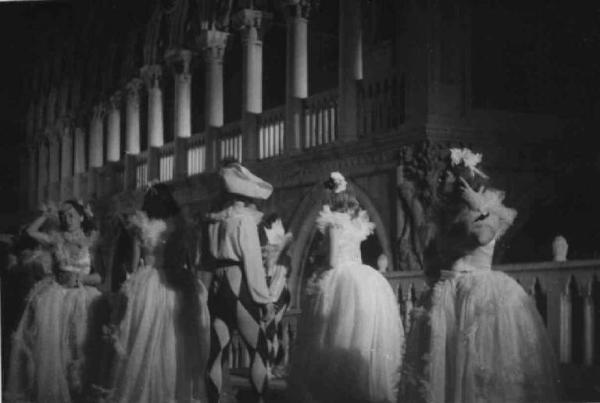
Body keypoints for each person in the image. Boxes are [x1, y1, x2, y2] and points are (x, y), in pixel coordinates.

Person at [401, 148, 561, 403]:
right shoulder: (445, 217)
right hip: (448, 291)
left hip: (478, 291)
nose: (442, 181)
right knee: (447, 362)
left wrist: (480, 206)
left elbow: (481, 237)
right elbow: (431, 263)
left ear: (464, 180)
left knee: (479, 361)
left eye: (448, 177)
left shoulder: (489, 213)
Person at [289, 171, 405, 403]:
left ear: (332, 199)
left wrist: (320, 263)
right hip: (361, 277)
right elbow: (357, 256)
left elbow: (332, 261)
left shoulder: (333, 223)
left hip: (339, 277)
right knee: (358, 334)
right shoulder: (356, 223)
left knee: (332, 334)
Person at [107, 183, 210, 403]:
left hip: (149, 283)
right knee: (177, 340)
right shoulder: (181, 226)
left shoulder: (140, 225)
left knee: (146, 342)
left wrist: (128, 287)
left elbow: (135, 265)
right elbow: (190, 261)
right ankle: (177, 392)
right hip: (177, 283)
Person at [7, 200, 103, 403]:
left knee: (81, 348)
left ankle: (80, 394)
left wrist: (81, 279)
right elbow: (31, 232)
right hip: (57, 298)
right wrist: (45, 215)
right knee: (57, 351)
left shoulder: (91, 241)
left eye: (71, 216)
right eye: (64, 216)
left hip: (83, 298)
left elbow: (99, 277)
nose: (67, 220)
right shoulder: (55, 239)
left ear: (81, 217)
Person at [205, 162, 275, 403]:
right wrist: (264, 300)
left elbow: (203, 260)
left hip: (217, 285)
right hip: (237, 283)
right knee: (259, 349)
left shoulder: (213, 221)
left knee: (217, 352)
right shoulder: (244, 221)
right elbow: (253, 264)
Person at [259, 214, 293, 379]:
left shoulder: (281, 256)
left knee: (271, 331)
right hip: (271, 292)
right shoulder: (269, 252)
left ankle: (270, 366)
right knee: (269, 331)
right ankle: (269, 365)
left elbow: (279, 278)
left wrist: (270, 300)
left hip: (277, 294)